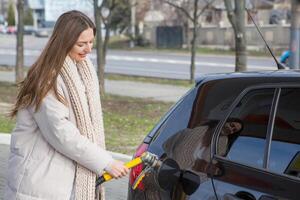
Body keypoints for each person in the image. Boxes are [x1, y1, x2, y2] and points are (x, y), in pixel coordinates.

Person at [5, 10, 129, 200]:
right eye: (81, 44)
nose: (88, 49)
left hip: (60, 179)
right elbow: (61, 133)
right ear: (63, 41)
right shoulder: (47, 78)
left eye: (91, 42)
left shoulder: (83, 72)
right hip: (39, 182)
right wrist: (105, 162)